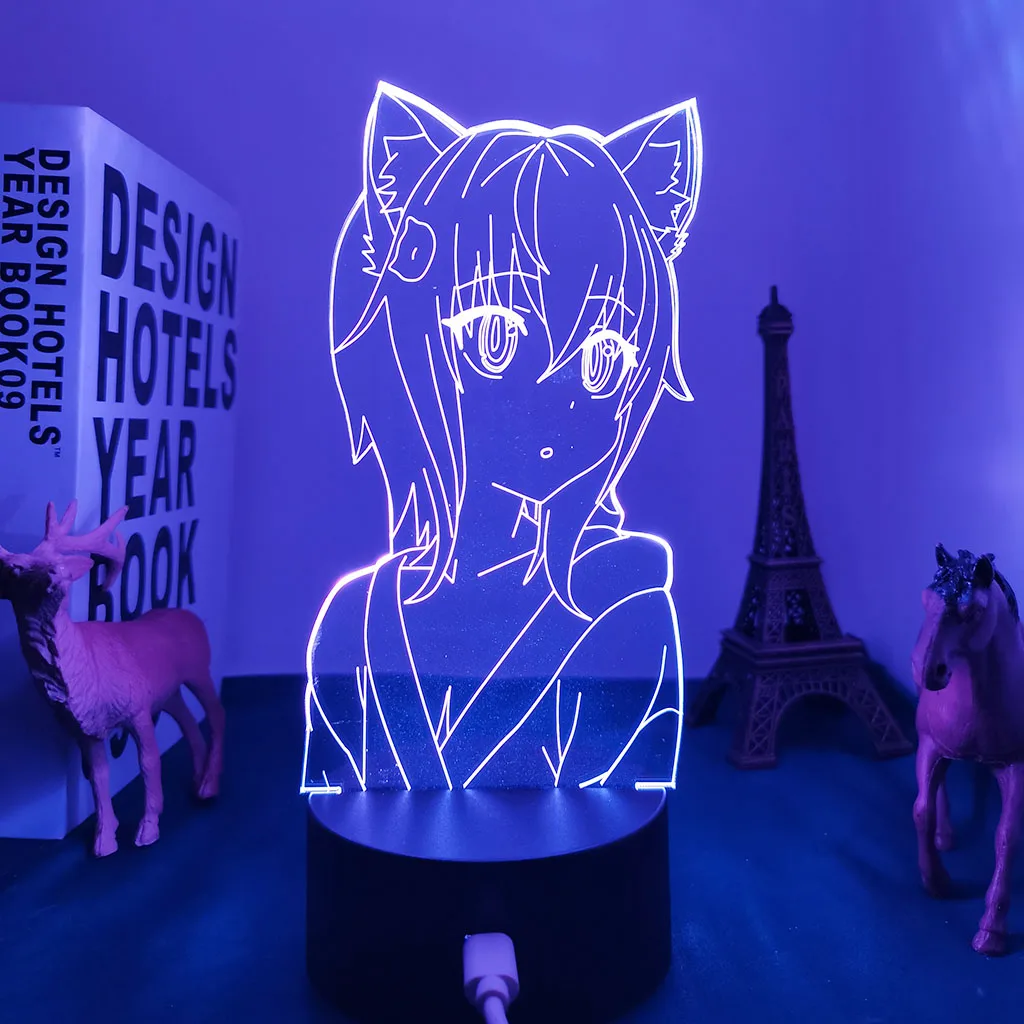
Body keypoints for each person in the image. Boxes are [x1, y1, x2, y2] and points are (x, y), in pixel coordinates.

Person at [302, 83, 702, 793]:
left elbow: (616, 817)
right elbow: (336, 793)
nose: (556, 406)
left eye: (603, 358)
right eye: (495, 339)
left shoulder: (628, 607)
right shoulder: (354, 619)